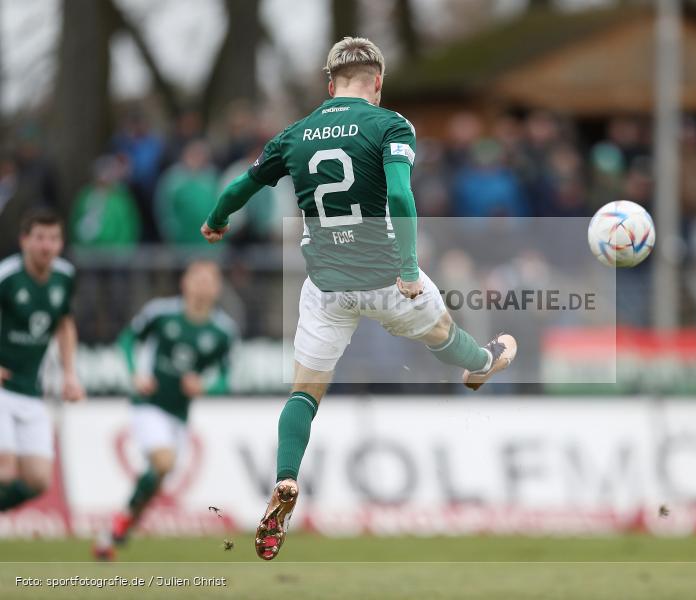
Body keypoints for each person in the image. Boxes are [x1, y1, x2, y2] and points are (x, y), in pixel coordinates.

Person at [201, 37, 517, 560]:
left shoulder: (293, 135)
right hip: (388, 279)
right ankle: (482, 364)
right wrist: (411, 268)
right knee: (444, 333)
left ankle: (284, 479)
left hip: (327, 288)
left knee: (304, 392)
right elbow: (398, 194)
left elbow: (242, 186)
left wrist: (216, 220)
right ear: (377, 82)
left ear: (329, 85)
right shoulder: (390, 124)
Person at [94, 261, 235, 559]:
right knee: (163, 462)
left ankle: (118, 530)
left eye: (210, 280)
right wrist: (135, 373)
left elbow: (225, 378)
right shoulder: (160, 313)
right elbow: (128, 339)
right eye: (197, 278)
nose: (203, 285)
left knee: (157, 478)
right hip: (148, 404)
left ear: (217, 288)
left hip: (179, 415)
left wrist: (204, 386)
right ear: (184, 282)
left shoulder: (222, 331)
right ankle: (121, 526)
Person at [0, 210, 84, 512]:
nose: (46, 246)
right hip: (2, 387)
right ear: (24, 241)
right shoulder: (7, 276)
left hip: (30, 390)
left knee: (37, 479)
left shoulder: (64, 276)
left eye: (53, 239)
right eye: (39, 238)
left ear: (61, 243)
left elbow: (64, 323)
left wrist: (70, 374)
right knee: (5, 471)